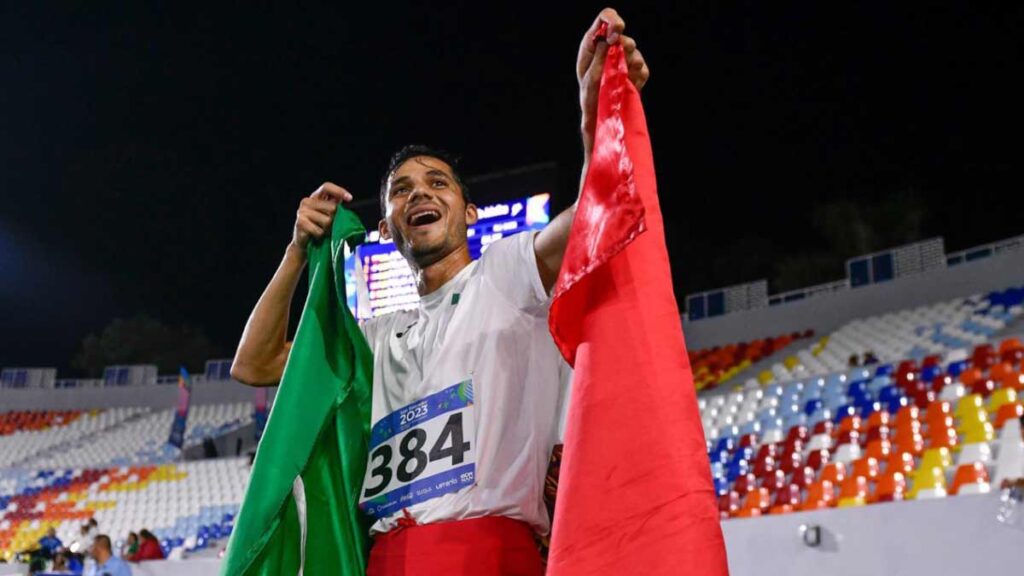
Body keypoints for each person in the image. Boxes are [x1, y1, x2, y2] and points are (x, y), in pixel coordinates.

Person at [230, 7, 649, 575]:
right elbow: (254, 366)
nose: (417, 193)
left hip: (490, 552)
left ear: (470, 212)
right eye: (399, 190)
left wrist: (592, 114)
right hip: (385, 557)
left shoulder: (505, 276)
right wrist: (297, 252)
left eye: (437, 182)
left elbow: (595, 214)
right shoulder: (374, 338)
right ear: (385, 229)